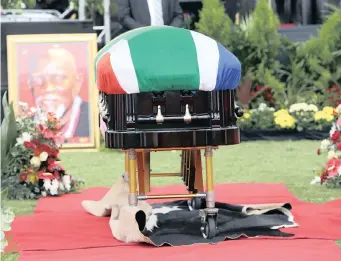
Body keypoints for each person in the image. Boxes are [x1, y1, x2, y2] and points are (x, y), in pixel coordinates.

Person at [27, 46, 90, 141]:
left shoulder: (95, 122)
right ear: (30, 84)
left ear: (78, 82)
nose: (48, 88)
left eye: (58, 78)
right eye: (38, 79)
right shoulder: (23, 127)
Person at [116, 0, 184, 32]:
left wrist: (169, 30)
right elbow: (123, 17)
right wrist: (145, 31)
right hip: (139, 40)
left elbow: (178, 15)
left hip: (166, 39)